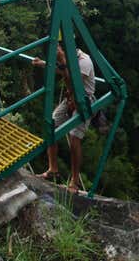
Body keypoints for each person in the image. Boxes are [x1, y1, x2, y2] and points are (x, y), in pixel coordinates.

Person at [32, 42, 96, 194]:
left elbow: (73, 84)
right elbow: (61, 70)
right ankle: (53, 169)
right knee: (52, 123)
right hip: (70, 99)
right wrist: (44, 64)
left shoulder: (84, 62)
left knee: (75, 138)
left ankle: (74, 181)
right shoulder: (67, 59)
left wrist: (62, 61)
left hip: (84, 99)